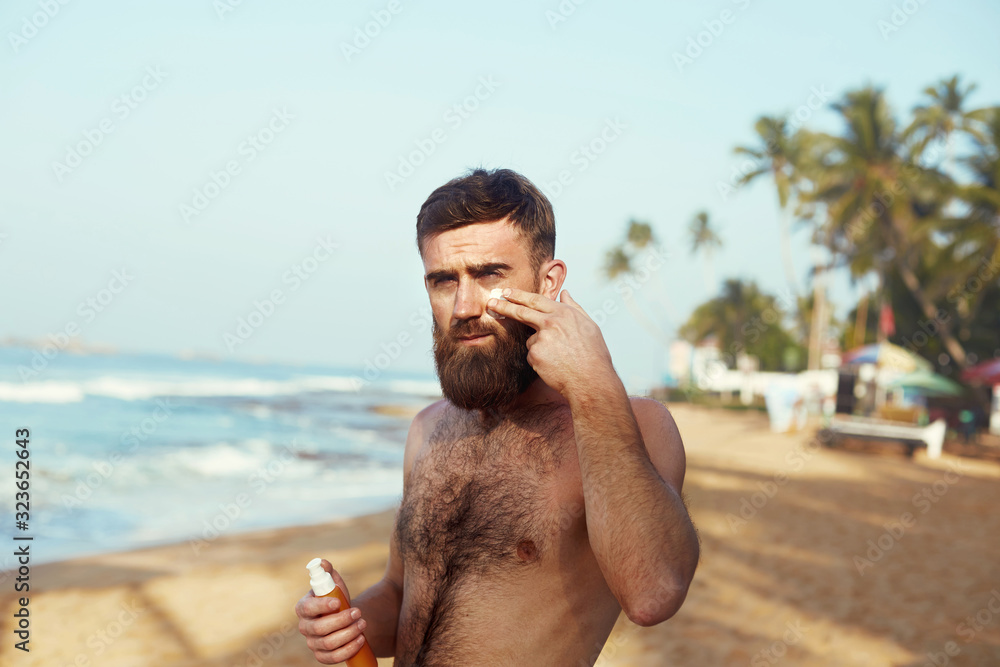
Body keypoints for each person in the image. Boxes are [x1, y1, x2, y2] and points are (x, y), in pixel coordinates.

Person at [295, 168, 700, 665]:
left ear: (548, 282)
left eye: (489, 275)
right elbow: (403, 597)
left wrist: (593, 385)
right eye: (444, 280)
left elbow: (653, 593)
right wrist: (345, 623)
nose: (464, 306)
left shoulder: (633, 422)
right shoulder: (428, 429)